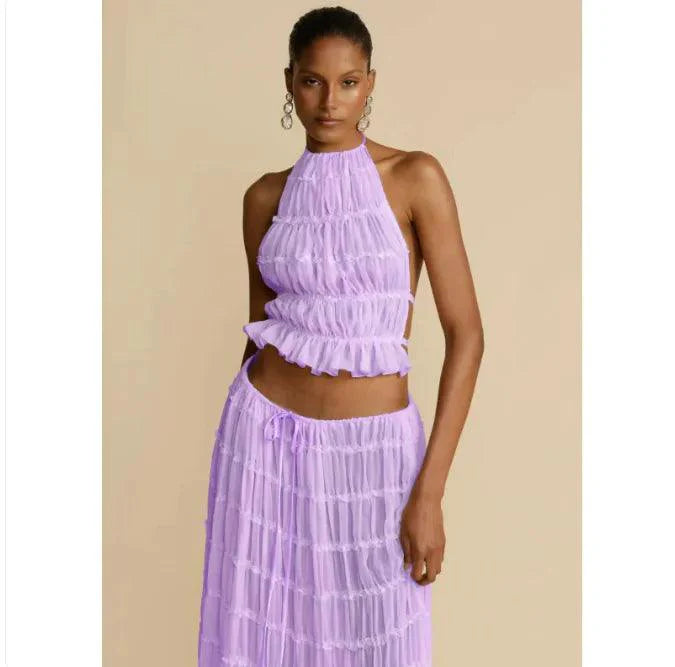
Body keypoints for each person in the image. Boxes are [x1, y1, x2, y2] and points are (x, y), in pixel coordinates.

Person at [197, 6, 484, 666]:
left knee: (380, 639)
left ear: (370, 83)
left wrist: (430, 492)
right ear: (289, 82)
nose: (330, 102)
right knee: (261, 641)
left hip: (376, 454)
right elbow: (260, 330)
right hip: (263, 446)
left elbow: (466, 335)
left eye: (348, 82)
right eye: (312, 81)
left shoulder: (414, 177)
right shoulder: (265, 198)